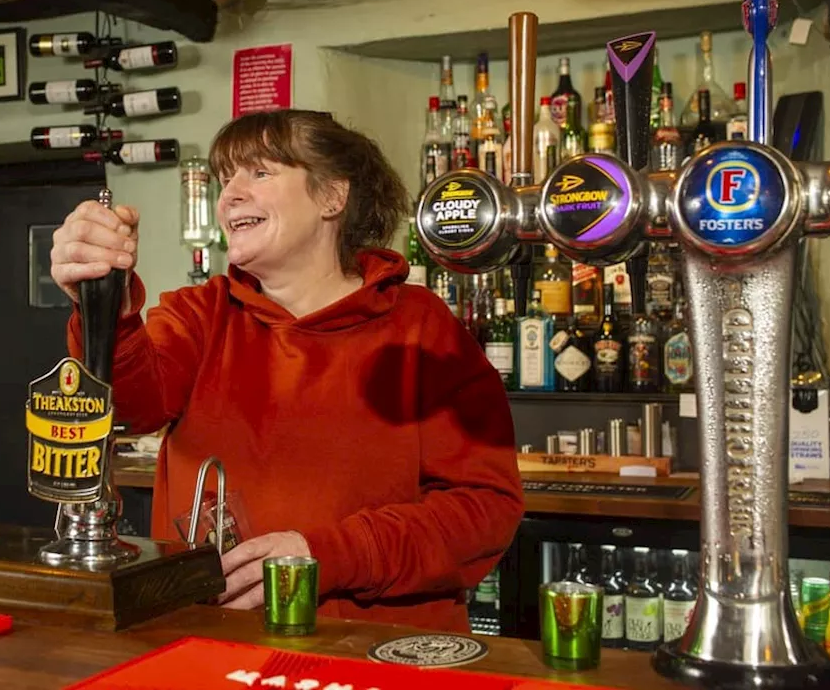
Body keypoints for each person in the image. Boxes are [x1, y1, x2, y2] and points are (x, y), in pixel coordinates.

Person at [50, 109, 522, 632]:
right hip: (215, 641)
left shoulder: (419, 326)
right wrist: (104, 307)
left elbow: (484, 510)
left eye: (260, 172)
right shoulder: (200, 316)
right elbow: (126, 406)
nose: (229, 194)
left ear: (331, 197)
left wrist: (330, 555)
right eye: (225, 178)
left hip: (376, 648)